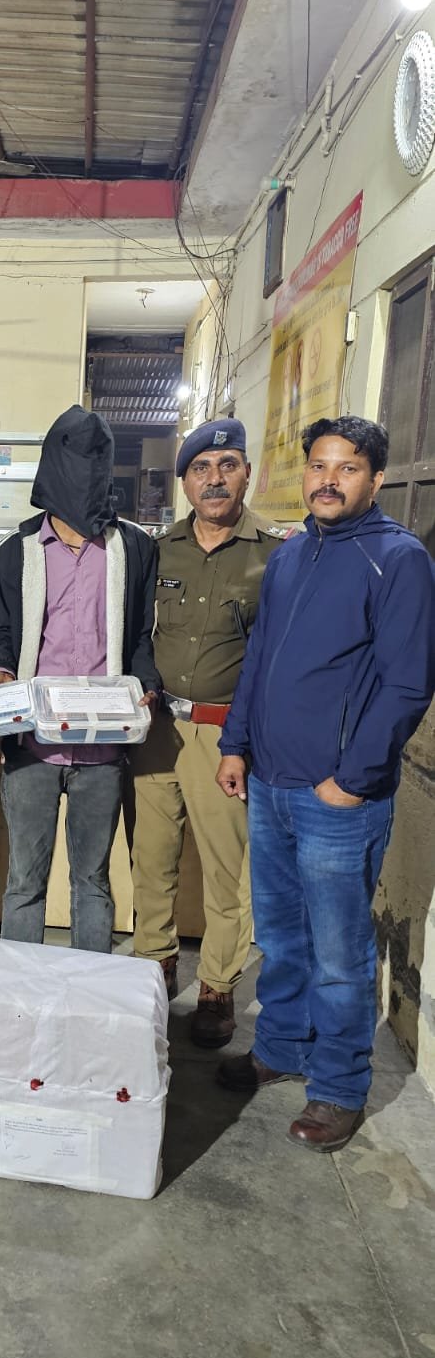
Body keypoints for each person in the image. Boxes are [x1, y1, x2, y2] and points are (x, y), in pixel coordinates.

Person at [217, 415, 435, 1151]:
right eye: (318, 466)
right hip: (271, 784)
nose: (328, 481)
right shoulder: (292, 552)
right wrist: (237, 745)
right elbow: (259, 660)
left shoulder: (397, 559)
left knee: (339, 956)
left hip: (338, 797)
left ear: (375, 478)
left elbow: (407, 684)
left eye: (347, 468)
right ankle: (281, 1047)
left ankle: (339, 1087)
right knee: (281, 937)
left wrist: (352, 779)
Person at [130, 417, 290, 1047]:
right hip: (155, 730)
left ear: (247, 473)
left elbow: (275, 660)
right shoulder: (158, 549)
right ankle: (155, 967)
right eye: (200, 468)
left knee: (228, 872)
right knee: (151, 860)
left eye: (227, 466)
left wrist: (243, 745)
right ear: (185, 482)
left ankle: (218, 988)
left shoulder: (275, 554)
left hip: (225, 738)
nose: (214, 479)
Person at [0, 405, 160, 954]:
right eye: (74, 460)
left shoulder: (133, 548)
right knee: (24, 881)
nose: (85, 473)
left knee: (93, 881)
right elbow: (5, 630)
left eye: (97, 460)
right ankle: (20, 988)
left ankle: (89, 985)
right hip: (33, 746)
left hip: (103, 748)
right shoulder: (17, 551)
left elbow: (141, 635)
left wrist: (146, 683)